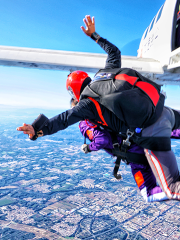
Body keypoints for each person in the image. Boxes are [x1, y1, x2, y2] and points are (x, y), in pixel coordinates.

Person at [17, 15, 180, 200]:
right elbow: (114, 53)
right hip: (162, 110)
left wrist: (38, 130)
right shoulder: (105, 73)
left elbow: (63, 119)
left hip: (149, 132)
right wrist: (94, 35)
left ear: (74, 93)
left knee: (162, 190)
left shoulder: (87, 104)